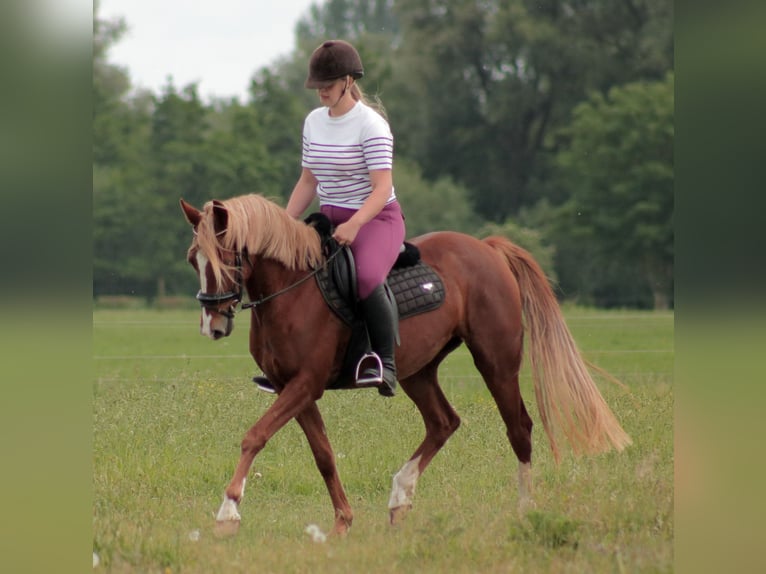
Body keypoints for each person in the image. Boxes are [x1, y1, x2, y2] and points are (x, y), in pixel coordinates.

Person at [285, 39, 405, 397]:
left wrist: (354, 225)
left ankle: (385, 363)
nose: (321, 91)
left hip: (375, 218)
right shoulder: (313, 122)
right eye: (317, 85)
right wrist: (283, 224)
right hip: (328, 217)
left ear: (349, 81)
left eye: (328, 84)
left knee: (366, 278)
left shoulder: (372, 126)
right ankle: (285, 365)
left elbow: (382, 188)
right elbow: (308, 180)